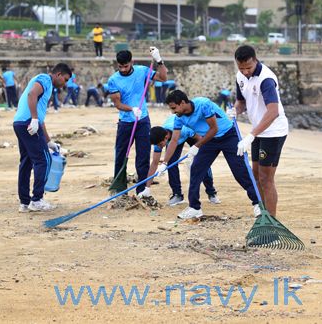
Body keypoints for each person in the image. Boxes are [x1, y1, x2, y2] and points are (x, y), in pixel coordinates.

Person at [161, 90, 261, 220]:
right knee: (196, 169)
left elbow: (214, 129)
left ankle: (258, 204)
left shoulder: (203, 104)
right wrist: (164, 163)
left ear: (183, 102)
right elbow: (174, 140)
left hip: (228, 135)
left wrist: (196, 146)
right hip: (209, 141)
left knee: (240, 171)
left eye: (174, 108)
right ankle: (194, 208)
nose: (173, 112)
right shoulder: (179, 118)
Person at [229, 45, 289, 218]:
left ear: (255, 60)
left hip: (273, 132)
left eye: (248, 67)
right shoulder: (240, 76)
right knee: (255, 176)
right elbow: (241, 102)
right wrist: (235, 110)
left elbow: (273, 111)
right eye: (241, 68)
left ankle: (272, 221)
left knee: (266, 178)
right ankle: (263, 214)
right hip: (257, 131)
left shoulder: (266, 79)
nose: (246, 72)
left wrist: (251, 135)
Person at [13, 63, 72, 213]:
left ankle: (24, 202)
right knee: (44, 160)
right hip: (28, 123)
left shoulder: (46, 85)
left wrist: (49, 141)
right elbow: (31, 94)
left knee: (26, 162)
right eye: (65, 79)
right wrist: (33, 119)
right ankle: (37, 200)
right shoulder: (45, 79)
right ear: (58, 74)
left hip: (20, 123)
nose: (65, 84)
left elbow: (41, 118)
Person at [108, 48, 167, 195]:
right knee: (121, 156)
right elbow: (117, 104)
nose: (123, 69)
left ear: (131, 62)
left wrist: (159, 60)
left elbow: (163, 78)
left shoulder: (142, 71)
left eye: (125, 66)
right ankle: (119, 190)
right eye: (120, 66)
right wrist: (132, 109)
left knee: (143, 156)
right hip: (125, 122)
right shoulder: (113, 80)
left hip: (143, 121)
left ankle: (141, 190)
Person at [139, 114, 220, 206]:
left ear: (166, 138)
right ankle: (177, 195)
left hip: (191, 134)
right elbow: (154, 163)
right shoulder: (158, 139)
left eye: (160, 145)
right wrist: (147, 187)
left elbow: (200, 138)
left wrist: (196, 148)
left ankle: (211, 192)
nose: (159, 147)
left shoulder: (184, 130)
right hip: (175, 141)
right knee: (171, 163)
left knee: (202, 163)